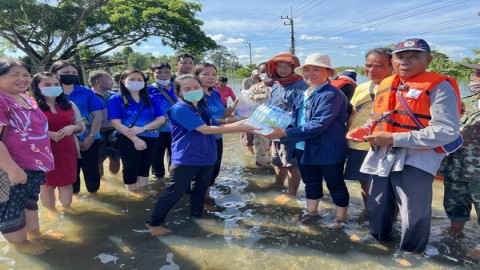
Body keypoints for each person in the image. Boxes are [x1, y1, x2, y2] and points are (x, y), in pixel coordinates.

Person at [347, 38, 461, 255]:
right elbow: (376, 117)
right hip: (383, 153)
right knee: (378, 202)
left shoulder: (440, 86)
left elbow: (446, 131)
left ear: (428, 59)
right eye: (400, 57)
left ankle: (412, 252)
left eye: (414, 56)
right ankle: (378, 240)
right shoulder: (386, 84)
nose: (406, 62)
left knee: (413, 209)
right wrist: (365, 130)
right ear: (393, 60)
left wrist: (394, 139)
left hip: (418, 157)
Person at [146, 74, 258, 236]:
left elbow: (216, 122)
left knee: (200, 189)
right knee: (174, 192)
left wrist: (242, 121)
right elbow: (205, 129)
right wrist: (240, 128)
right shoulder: (180, 109)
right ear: (179, 92)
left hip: (207, 156)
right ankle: (154, 223)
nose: (193, 91)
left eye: (196, 87)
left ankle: (196, 215)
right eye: (187, 88)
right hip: (186, 158)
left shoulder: (200, 106)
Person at [264, 53, 349, 226]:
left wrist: (284, 133)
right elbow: (295, 120)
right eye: (307, 70)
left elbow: (318, 125)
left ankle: (340, 220)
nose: (310, 74)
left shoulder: (332, 94)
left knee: (335, 184)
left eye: (316, 69)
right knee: (311, 181)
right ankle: (312, 213)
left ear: (328, 72)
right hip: (303, 146)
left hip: (328, 148)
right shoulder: (303, 93)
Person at [0, 58, 55, 254]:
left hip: (33, 164)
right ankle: (21, 245)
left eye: (25, 74)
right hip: (12, 166)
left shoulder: (27, 98)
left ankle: (35, 234)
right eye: (14, 75)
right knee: (11, 208)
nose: (22, 79)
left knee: (30, 201)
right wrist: (12, 169)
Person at [344, 48, 393, 216]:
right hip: (358, 144)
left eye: (379, 65)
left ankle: (388, 219)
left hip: (384, 145)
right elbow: (354, 113)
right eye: (368, 65)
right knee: (363, 181)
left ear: (392, 66)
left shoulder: (398, 88)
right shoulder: (361, 88)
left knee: (386, 186)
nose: (372, 70)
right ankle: (369, 212)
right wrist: (347, 136)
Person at [31, 72, 85, 213]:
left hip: (67, 152)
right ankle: (52, 213)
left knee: (67, 183)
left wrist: (73, 127)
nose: (53, 87)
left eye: (56, 84)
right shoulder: (31, 107)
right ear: (37, 87)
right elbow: (24, 131)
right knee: (46, 185)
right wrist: (46, 134)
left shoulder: (69, 104)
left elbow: (81, 126)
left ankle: (67, 211)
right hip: (43, 154)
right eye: (47, 85)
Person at [107, 69, 165, 196]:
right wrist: (135, 138)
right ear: (123, 81)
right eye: (132, 79)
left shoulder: (150, 99)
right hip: (126, 138)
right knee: (130, 166)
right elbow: (115, 123)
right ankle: (133, 193)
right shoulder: (115, 99)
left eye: (139, 79)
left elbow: (161, 119)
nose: (136, 82)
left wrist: (143, 128)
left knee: (145, 165)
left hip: (151, 136)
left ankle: (143, 189)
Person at [49, 60, 103, 194]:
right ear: (54, 74)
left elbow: (97, 115)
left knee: (92, 171)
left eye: (74, 72)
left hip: (90, 139)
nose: (71, 75)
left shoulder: (86, 92)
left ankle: (95, 198)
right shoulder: (50, 93)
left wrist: (91, 136)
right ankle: (74, 199)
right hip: (64, 141)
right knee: (70, 173)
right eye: (66, 73)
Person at [440, 62, 480, 240]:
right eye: (474, 74)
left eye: (478, 74)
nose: (473, 78)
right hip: (456, 166)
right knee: (455, 204)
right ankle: (455, 232)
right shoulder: (466, 101)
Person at [264, 52, 308, 197]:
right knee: (277, 161)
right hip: (274, 131)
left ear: (294, 68)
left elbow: (303, 110)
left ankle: (292, 193)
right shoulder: (276, 84)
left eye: (287, 66)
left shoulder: (300, 85)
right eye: (279, 66)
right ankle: (278, 183)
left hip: (290, 133)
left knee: (291, 164)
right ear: (274, 68)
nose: (282, 70)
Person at [193, 63, 239, 201]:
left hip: (217, 137)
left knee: (214, 170)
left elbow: (222, 114)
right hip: (202, 138)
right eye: (205, 74)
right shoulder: (194, 96)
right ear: (196, 76)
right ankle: (200, 199)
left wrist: (236, 103)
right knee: (203, 171)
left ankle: (206, 195)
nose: (210, 77)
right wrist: (237, 124)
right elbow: (205, 120)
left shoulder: (215, 93)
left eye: (213, 74)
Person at [148, 62, 178, 180]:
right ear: (152, 74)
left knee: (175, 155)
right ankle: (158, 179)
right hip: (156, 129)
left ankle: (173, 178)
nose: (163, 75)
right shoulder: (147, 89)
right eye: (159, 73)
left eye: (166, 72)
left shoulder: (178, 87)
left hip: (176, 128)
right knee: (156, 155)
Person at [88, 70, 121, 177]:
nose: (111, 81)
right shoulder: (88, 96)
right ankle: (101, 182)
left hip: (114, 130)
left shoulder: (116, 96)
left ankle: (115, 178)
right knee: (98, 160)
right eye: (108, 79)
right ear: (98, 81)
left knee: (116, 157)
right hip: (96, 132)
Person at [245, 62, 272, 166]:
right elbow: (247, 108)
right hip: (261, 125)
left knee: (281, 155)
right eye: (262, 72)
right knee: (261, 153)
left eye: (268, 72)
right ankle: (263, 173)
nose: (265, 74)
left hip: (281, 125)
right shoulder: (254, 89)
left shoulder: (281, 87)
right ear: (259, 74)